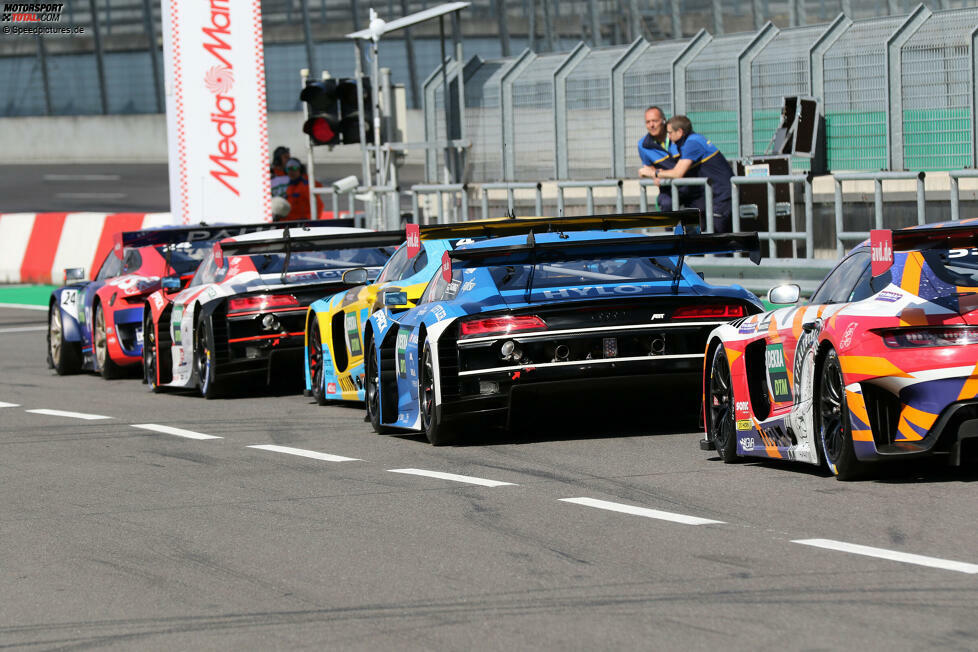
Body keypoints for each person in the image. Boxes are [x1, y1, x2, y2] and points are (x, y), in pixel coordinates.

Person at [650, 115, 734, 233]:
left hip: (721, 196)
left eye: (669, 133)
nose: (668, 137)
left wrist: (656, 173)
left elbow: (678, 172)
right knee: (701, 236)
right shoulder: (691, 141)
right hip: (712, 196)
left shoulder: (692, 143)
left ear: (679, 132)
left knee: (718, 240)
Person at [636, 106, 702, 212]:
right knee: (666, 205)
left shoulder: (677, 135)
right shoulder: (642, 145)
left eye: (655, 121)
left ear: (663, 120)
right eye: (648, 122)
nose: (651, 125)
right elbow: (648, 168)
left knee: (698, 220)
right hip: (668, 189)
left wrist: (657, 173)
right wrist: (654, 176)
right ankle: (670, 229)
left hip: (692, 186)